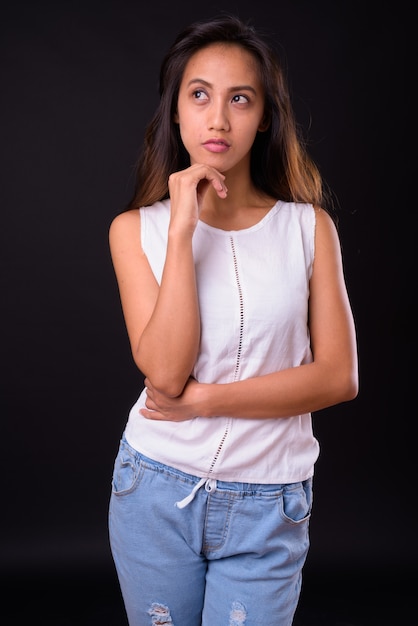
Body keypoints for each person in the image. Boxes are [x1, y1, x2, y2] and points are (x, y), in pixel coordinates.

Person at [107, 13, 358, 626]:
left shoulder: (310, 230)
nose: (218, 119)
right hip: (156, 492)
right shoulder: (135, 230)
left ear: (266, 114)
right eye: (200, 96)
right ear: (176, 111)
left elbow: (337, 377)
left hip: (270, 502)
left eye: (239, 99)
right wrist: (183, 232)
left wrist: (209, 401)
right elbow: (165, 375)